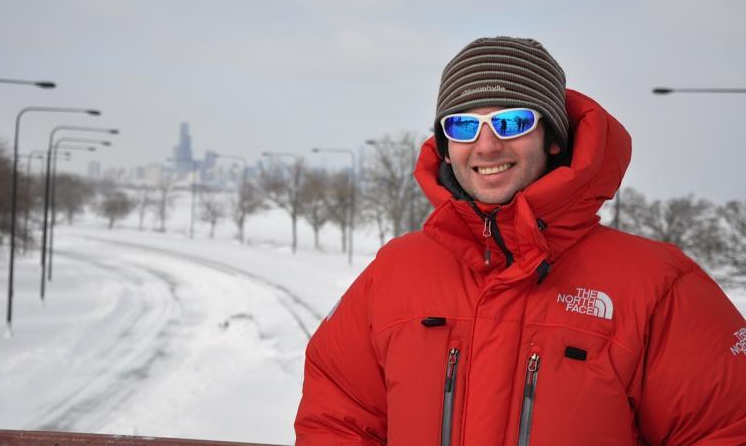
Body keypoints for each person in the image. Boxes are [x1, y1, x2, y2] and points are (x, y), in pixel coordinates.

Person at [294, 36, 746, 445]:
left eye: (511, 122)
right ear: (446, 146)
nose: (486, 146)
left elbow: (726, 429)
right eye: (463, 127)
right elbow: (338, 418)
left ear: (552, 137)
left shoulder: (658, 285)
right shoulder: (395, 271)